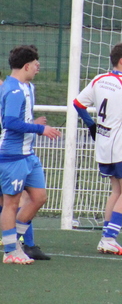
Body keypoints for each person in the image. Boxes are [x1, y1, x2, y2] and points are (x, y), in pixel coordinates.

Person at [73, 42, 122, 256]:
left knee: (116, 190)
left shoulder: (99, 79)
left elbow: (78, 104)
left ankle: (106, 237)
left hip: (104, 145)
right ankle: (109, 238)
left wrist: (91, 125)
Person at [1, 45, 61, 264]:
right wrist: (39, 129)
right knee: (11, 202)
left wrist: (33, 124)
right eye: (36, 64)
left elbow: (20, 119)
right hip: (12, 155)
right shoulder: (13, 89)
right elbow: (9, 122)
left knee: (39, 198)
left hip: (28, 155)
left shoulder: (27, 87)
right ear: (27, 65)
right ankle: (10, 252)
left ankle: (13, 241)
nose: (38, 68)